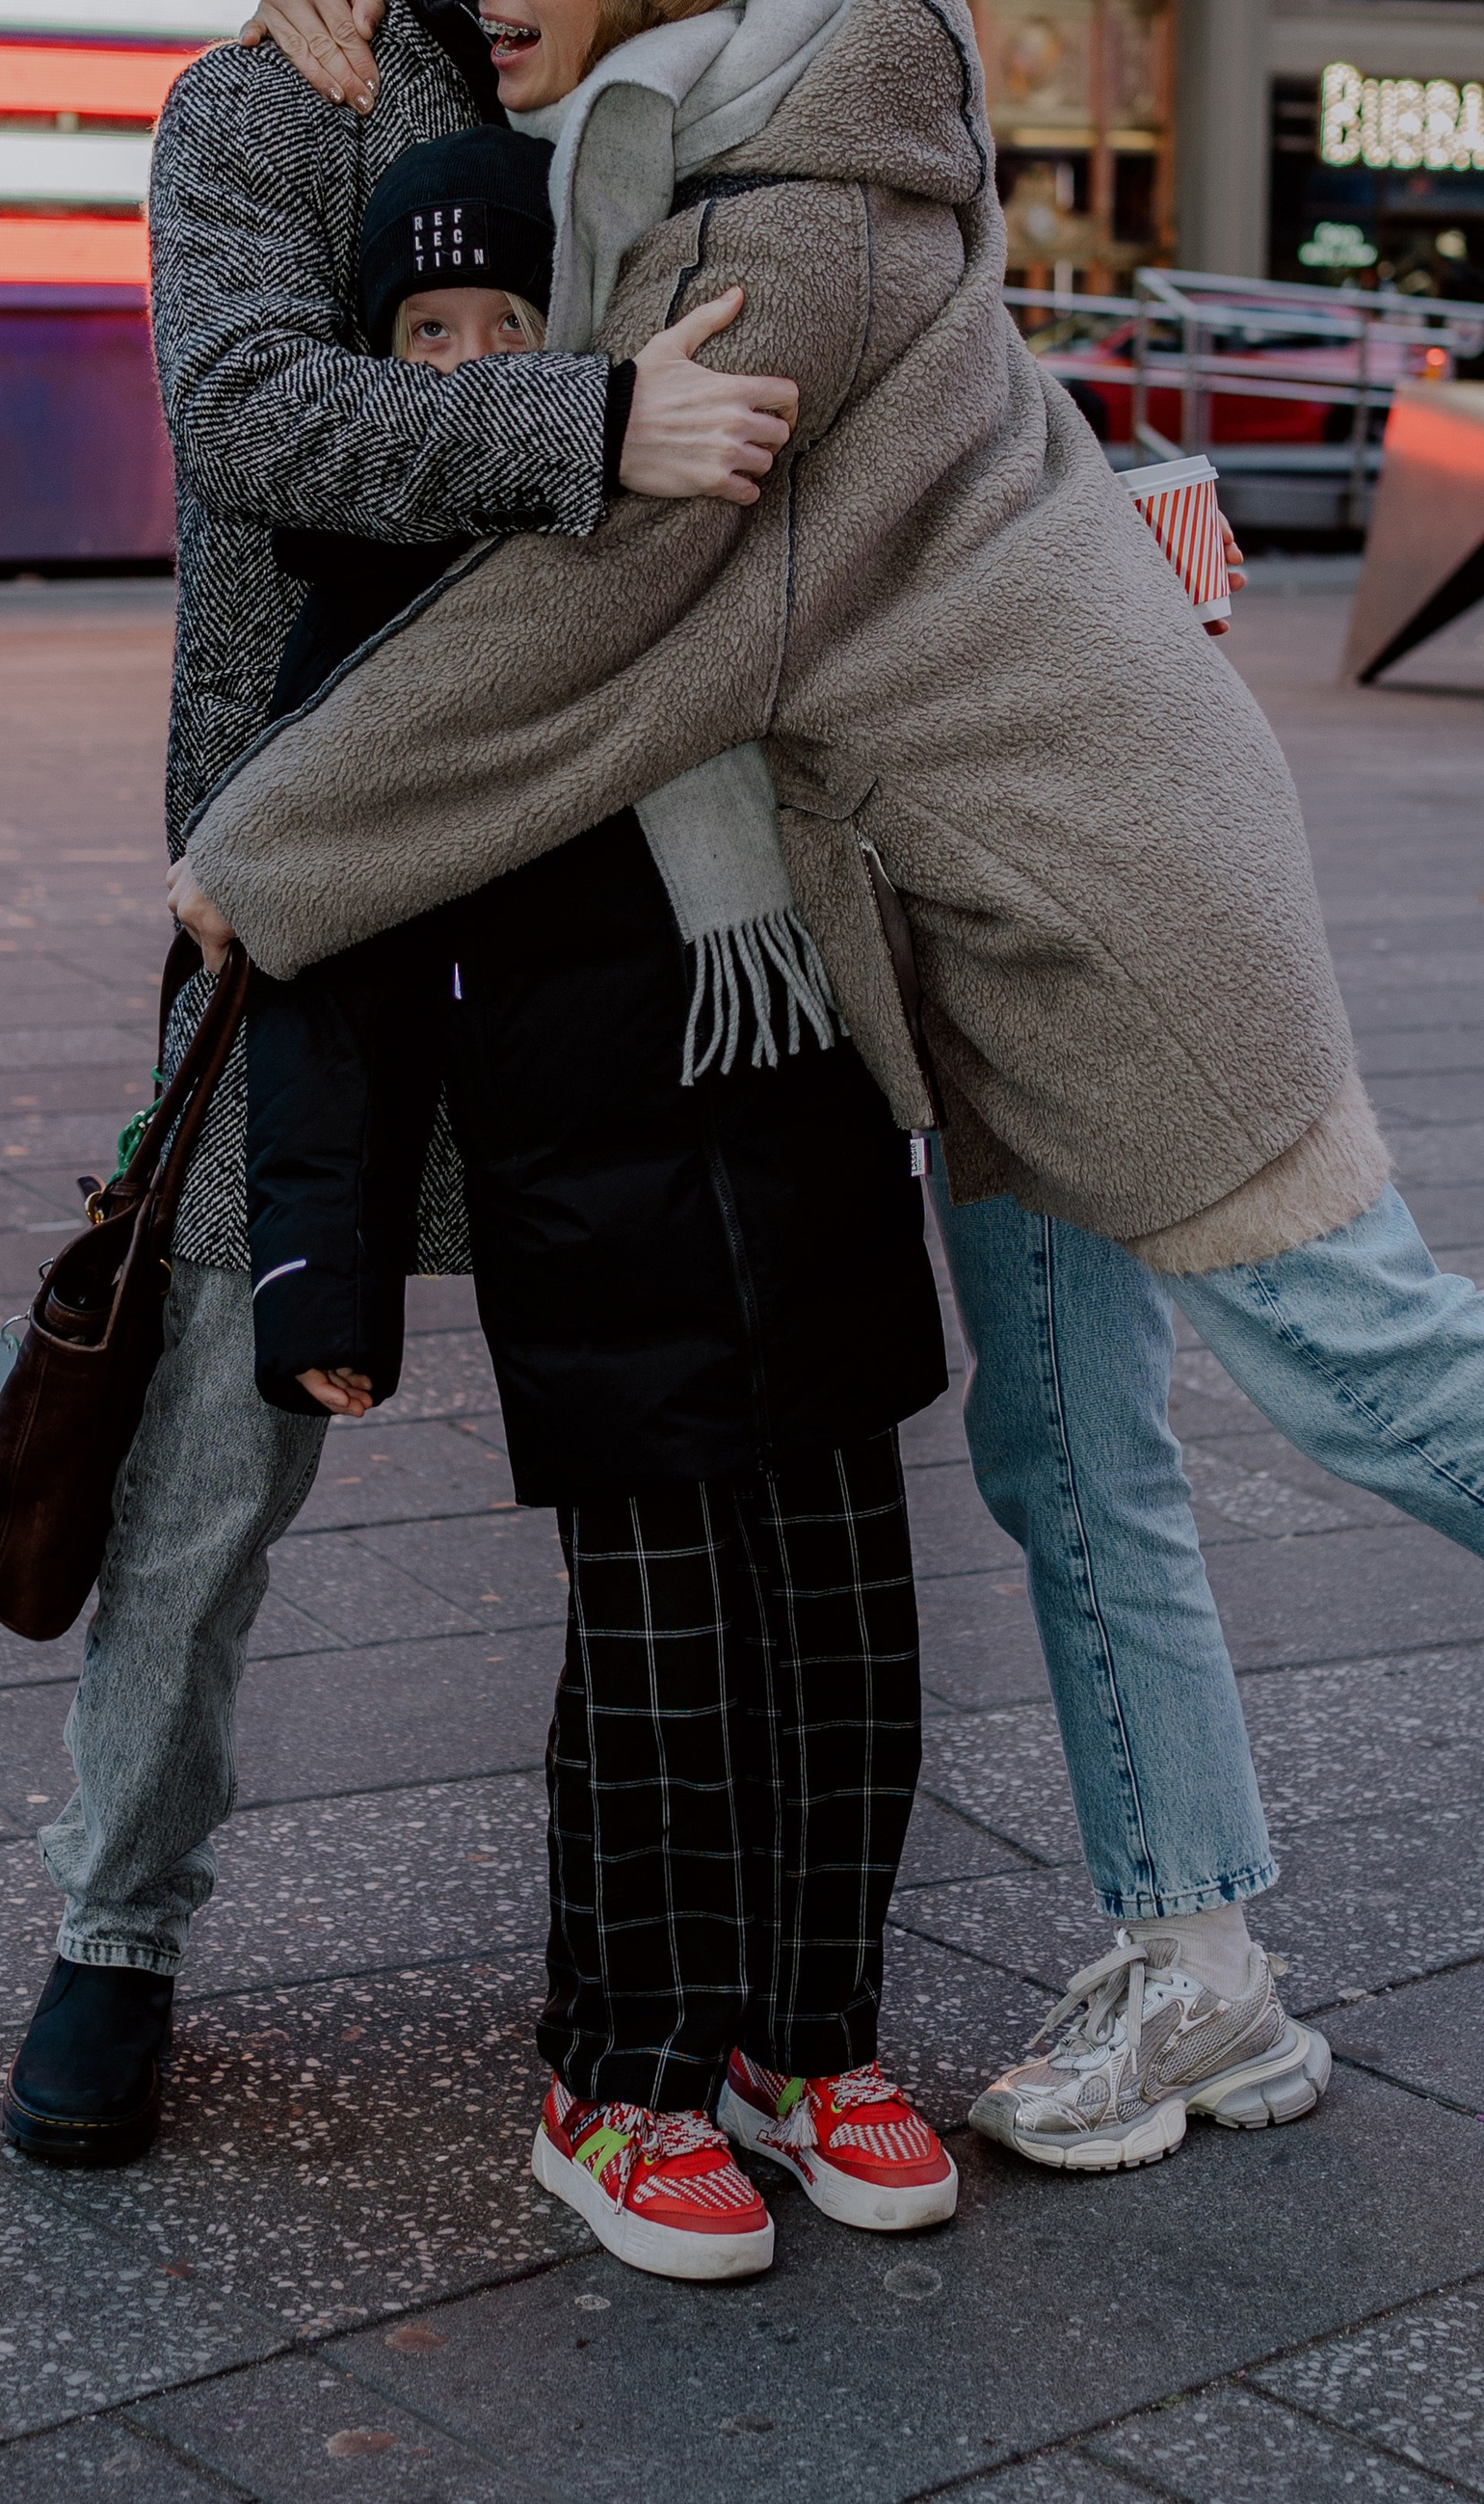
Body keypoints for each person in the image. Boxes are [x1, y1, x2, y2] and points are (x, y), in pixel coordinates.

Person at [172, 0, 1484, 2176]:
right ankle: (1198, 1964)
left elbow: (600, 633)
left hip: (1103, 895)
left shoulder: (771, 242)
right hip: (976, 907)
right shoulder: (727, 132)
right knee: (1066, 1441)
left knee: (1367, 1349)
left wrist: (269, 843)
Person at [0, 0, 804, 2172]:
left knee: (644, 1457)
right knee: (206, 1462)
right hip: (317, 865)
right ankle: (113, 1932)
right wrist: (585, 425)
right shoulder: (261, 97)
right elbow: (249, 411)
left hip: (593, 867)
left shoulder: (644, 62)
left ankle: (652, 1980)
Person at [227, 115, 958, 2278]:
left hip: (807, 1129)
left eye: (506, 317)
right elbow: (321, 952)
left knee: (849, 1631)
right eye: (423, 336)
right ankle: (616, 2075)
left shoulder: (709, 517)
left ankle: (804, 2040)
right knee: (658, 1660)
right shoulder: (388, 613)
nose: (470, 363)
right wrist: (316, 1273)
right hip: (587, 1188)